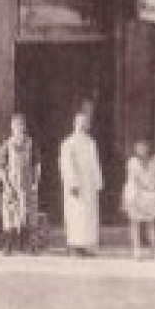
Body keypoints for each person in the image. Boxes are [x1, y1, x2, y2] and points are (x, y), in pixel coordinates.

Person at [59, 108, 103, 256]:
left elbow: (95, 163)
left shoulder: (91, 143)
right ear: (74, 124)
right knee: (76, 213)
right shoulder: (68, 143)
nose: (82, 126)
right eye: (79, 123)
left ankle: (87, 246)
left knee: (89, 214)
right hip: (76, 184)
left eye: (85, 124)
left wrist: (97, 182)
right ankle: (74, 246)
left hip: (89, 184)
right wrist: (72, 184)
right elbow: (66, 165)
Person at [122, 139, 155, 260]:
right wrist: (131, 196)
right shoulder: (132, 162)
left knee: (150, 224)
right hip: (136, 194)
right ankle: (137, 251)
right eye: (138, 147)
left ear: (148, 148)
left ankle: (154, 251)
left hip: (151, 196)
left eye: (144, 147)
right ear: (135, 149)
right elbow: (132, 180)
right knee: (135, 223)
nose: (141, 150)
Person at [0, 115, 40, 255]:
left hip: (27, 184)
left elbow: (37, 165)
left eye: (21, 125)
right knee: (10, 214)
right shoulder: (6, 145)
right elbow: (1, 168)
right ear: (12, 128)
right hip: (11, 184)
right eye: (16, 126)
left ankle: (28, 245)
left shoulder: (31, 143)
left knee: (28, 213)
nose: (18, 128)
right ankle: (8, 244)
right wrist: (6, 184)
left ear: (24, 127)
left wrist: (35, 183)